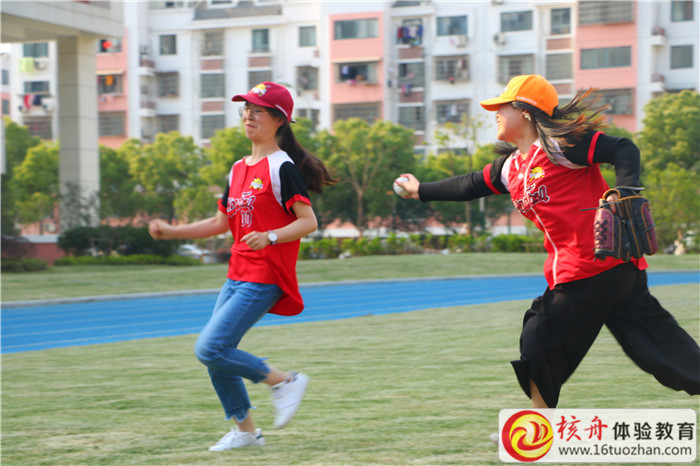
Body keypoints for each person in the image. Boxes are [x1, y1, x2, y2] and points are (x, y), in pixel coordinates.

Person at [396, 75, 700, 411]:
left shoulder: (560, 146)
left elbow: (623, 148)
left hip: (589, 270)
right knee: (663, 349)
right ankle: (539, 422)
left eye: (503, 106)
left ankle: (538, 425)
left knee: (538, 333)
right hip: (614, 272)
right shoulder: (512, 167)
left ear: (525, 111)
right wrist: (420, 190)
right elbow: (470, 185)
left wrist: (625, 191)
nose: (496, 113)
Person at [149, 82, 336, 451]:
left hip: (265, 276)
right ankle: (246, 432)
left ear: (279, 120)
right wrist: (172, 232)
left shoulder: (282, 167)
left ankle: (284, 381)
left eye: (258, 111)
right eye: (246, 110)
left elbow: (308, 222)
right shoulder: (238, 168)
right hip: (236, 274)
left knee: (209, 348)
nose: (249, 116)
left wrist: (270, 236)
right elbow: (220, 222)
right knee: (219, 356)